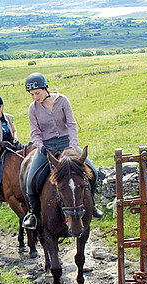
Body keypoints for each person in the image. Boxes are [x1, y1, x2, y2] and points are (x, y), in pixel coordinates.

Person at [22, 72, 104, 229]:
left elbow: (72, 124)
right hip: (47, 147)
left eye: (37, 93)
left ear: (45, 88)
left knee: (93, 171)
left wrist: (73, 146)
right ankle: (33, 214)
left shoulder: (63, 100)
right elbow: (35, 132)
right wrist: (41, 146)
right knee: (30, 180)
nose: (35, 97)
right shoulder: (32, 108)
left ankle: (92, 205)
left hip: (67, 143)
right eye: (32, 94)